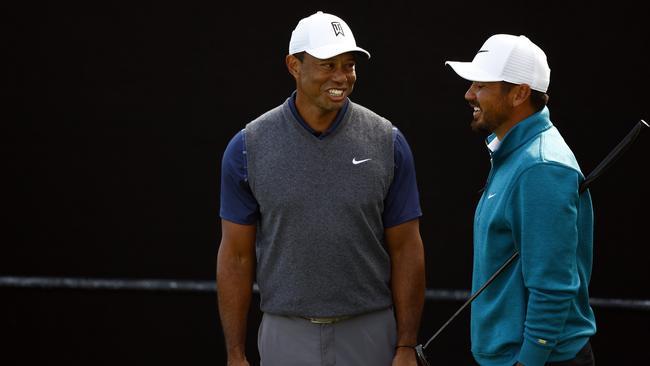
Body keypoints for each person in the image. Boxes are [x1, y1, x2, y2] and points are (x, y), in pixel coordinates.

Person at [217, 11, 425, 366]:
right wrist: (235, 353)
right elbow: (236, 256)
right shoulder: (248, 146)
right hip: (286, 332)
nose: (342, 77)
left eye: (349, 66)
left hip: (370, 331)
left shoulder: (387, 141)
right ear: (293, 65)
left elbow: (407, 249)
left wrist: (406, 345)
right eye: (328, 65)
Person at [445, 34, 596, 366]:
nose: (469, 94)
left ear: (519, 94)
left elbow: (553, 287)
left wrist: (529, 360)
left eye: (481, 85)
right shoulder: (516, 156)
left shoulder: (541, 168)